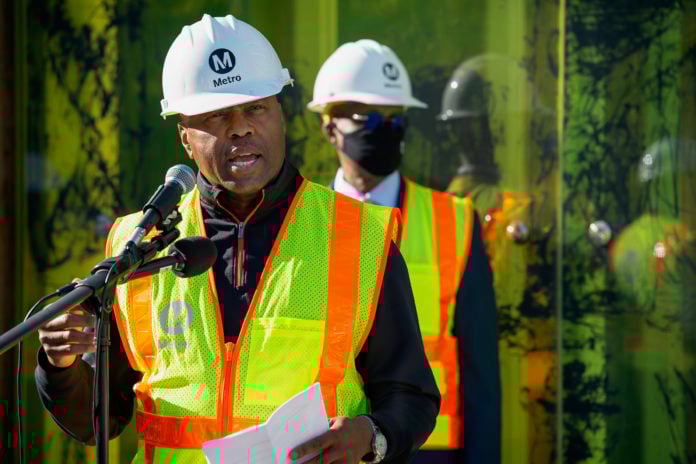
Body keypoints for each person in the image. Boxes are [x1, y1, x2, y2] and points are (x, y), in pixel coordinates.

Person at [34, 14, 439, 464]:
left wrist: (370, 436)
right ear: (185, 138)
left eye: (255, 108)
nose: (240, 127)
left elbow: (411, 397)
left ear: (280, 117)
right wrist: (60, 366)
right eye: (216, 115)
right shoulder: (136, 246)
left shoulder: (359, 236)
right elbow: (98, 420)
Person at [307, 40, 501, 464]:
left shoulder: (455, 220)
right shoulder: (300, 223)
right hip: (331, 448)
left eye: (395, 118)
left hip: (428, 450)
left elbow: (480, 371)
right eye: (368, 117)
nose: (385, 128)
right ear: (329, 127)